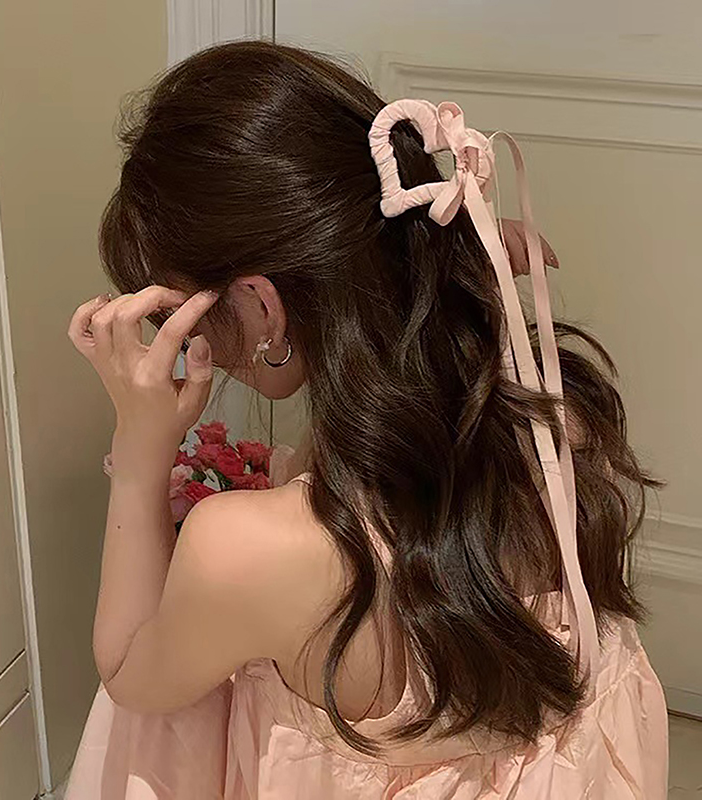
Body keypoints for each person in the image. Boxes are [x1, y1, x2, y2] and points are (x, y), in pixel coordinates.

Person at [65, 41, 668, 799]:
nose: (183, 340)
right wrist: (452, 276)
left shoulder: (248, 550)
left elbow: (131, 677)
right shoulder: (561, 414)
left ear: (261, 306)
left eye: (176, 314)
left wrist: (141, 449)